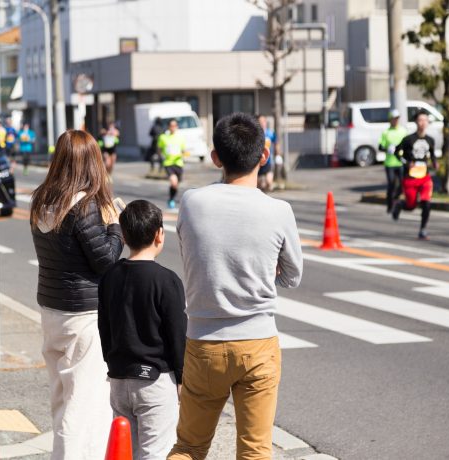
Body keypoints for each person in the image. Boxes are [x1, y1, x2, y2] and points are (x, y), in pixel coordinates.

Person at [168, 112, 303, 459]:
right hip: (258, 342)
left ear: (216, 158)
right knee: (255, 450)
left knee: (189, 446)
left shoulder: (192, 202)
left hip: (203, 343)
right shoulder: (279, 211)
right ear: (265, 155)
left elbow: (193, 253)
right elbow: (292, 276)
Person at [30, 130, 124, 460]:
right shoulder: (83, 207)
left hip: (52, 311)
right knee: (85, 404)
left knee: (62, 397)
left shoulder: (43, 199)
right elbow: (106, 262)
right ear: (91, 163)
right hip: (84, 318)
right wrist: (114, 225)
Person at [98, 199, 187, 460]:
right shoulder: (166, 280)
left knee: (125, 451)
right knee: (155, 453)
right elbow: (177, 335)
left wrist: (111, 363)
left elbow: (104, 326)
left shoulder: (109, 276)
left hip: (119, 378)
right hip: (155, 380)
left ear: (123, 236)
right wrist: (182, 379)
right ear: (159, 234)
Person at [392, 110, 438, 240]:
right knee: (411, 206)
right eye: (420, 120)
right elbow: (396, 153)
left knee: (426, 203)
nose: (423, 123)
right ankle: (400, 205)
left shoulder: (430, 140)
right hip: (410, 177)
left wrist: (435, 163)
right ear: (416, 122)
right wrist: (406, 163)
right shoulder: (408, 139)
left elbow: (433, 155)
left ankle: (423, 230)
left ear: (428, 123)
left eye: (425, 120)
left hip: (425, 177)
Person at [378, 109, 408, 213]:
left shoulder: (403, 131)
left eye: (397, 119)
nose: (395, 121)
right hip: (390, 163)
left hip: (400, 162)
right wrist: (387, 149)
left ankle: (395, 198)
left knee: (402, 184)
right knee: (391, 183)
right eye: (393, 119)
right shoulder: (386, 132)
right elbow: (380, 146)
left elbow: (407, 144)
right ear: (390, 120)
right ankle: (389, 205)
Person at [157, 119, 187, 209]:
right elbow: (159, 148)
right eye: (171, 126)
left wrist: (184, 155)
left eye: (175, 126)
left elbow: (183, 151)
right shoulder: (163, 137)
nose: (173, 128)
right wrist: (161, 157)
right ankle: (171, 199)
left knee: (176, 185)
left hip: (179, 163)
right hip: (168, 163)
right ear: (169, 127)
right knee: (174, 182)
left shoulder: (180, 138)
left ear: (177, 127)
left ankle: (171, 198)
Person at [256, 114, 277, 193]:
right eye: (260, 121)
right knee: (259, 185)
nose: (262, 123)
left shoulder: (270, 133)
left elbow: (276, 143)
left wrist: (278, 155)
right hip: (258, 161)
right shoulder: (255, 134)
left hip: (268, 161)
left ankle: (268, 195)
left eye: (264, 121)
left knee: (269, 182)